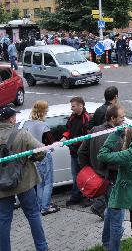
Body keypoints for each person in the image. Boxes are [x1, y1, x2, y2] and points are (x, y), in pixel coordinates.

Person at [0, 106, 48, 251]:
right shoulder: (21, 134)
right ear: (11, 119)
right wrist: (30, 157)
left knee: (3, 220)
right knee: (33, 215)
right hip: (24, 181)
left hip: (1, 185)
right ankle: (42, 247)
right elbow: (41, 151)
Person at [79, 104, 126, 248]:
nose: (124, 120)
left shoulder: (94, 131)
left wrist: (90, 171)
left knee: (110, 212)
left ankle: (106, 241)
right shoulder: (118, 137)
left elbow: (81, 152)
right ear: (113, 118)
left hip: (99, 182)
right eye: (122, 117)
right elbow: (119, 162)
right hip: (113, 182)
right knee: (117, 220)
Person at [21, 101, 60, 216]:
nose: (48, 111)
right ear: (43, 110)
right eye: (46, 109)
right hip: (44, 155)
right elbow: (51, 142)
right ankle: (46, 207)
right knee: (48, 182)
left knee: (40, 182)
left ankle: (39, 205)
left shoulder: (28, 124)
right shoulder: (43, 125)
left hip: (34, 157)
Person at [61, 96, 92, 205]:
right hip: (73, 152)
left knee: (84, 176)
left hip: (83, 153)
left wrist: (73, 142)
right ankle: (76, 195)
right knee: (76, 176)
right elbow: (68, 130)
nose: (71, 108)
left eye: (73, 106)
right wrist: (65, 137)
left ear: (81, 105)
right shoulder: (72, 117)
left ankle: (86, 197)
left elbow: (88, 137)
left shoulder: (87, 118)